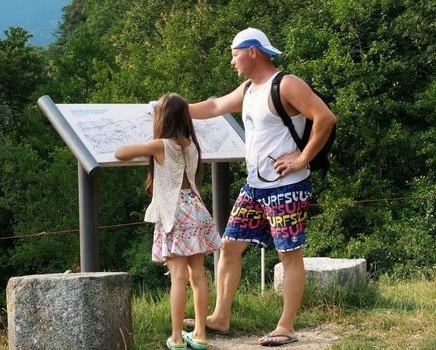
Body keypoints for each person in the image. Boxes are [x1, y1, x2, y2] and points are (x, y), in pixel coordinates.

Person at [183, 28, 337, 346]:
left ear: (253, 51)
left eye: (234, 53)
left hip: (286, 187)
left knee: (289, 254)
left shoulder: (286, 84)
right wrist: (175, 108)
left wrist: (302, 157)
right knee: (230, 245)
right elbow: (213, 108)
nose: (231, 60)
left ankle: (286, 326)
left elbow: (325, 118)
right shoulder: (249, 89)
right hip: (255, 187)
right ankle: (220, 317)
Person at [115, 93, 223, 350]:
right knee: (198, 276)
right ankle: (199, 335)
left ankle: (176, 337)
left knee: (177, 278)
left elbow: (121, 152)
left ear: (162, 118)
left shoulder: (161, 145)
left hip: (174, 213)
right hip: (196, 209)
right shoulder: (191, 144)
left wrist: (149, 137)